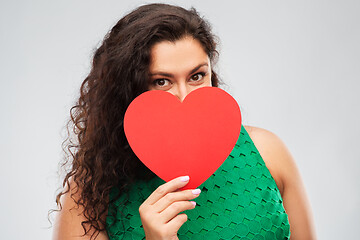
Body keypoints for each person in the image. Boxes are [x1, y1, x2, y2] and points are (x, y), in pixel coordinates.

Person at [52, 3, 316, 240]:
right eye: (161, 81)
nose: (183, 97)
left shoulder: (267, 152)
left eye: (197, 76)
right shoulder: (88, 197)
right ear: (126, 91)